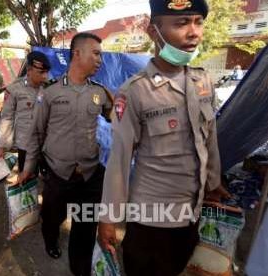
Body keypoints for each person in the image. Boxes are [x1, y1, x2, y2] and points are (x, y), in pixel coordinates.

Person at [97, 1, 231, 275]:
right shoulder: (134, 92)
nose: (194, 32)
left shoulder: (202, 81)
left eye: (198, 21)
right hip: (151, 223)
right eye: (181, 23)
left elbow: (210, 140)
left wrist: (214, 183)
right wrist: (108, 218)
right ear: (153, 30)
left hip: (192, 216)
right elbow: (119, 160)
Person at [18, 33, 113, 276]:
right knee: (53, 217)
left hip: (90, 175)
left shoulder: (101, 93)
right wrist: (28, 166)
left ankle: (80, 268)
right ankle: (50, 240)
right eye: (96, 53)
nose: (100, 60)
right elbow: (36, 132)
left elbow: (115, 120)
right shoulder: (49, 93)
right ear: (77, 54)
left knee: (85, 227)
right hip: (58, 173)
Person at [0, 51, 51, 170]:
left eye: (47, 72)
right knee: (24, 181)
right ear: (29, 70)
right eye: (41, 72)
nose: (45, 76)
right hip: (23, 145)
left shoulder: (49, 89)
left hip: (45, 145)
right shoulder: (14, 89)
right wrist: (2, 147)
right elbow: (7, 118)